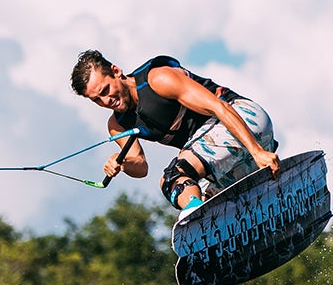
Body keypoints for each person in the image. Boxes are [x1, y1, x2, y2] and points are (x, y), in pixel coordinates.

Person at [70, 50, 281, 215]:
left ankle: (196, 218)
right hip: (226, 153)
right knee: (202, 200)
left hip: (244, 120)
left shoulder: (158, 79)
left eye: (106, 91)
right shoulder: (118, 124)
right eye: (97, 100)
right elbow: (140, 166)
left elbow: (219, 107)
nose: (106, 101)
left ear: (116, 72)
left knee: (174, 176)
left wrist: (256, 150)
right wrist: (122, 163)